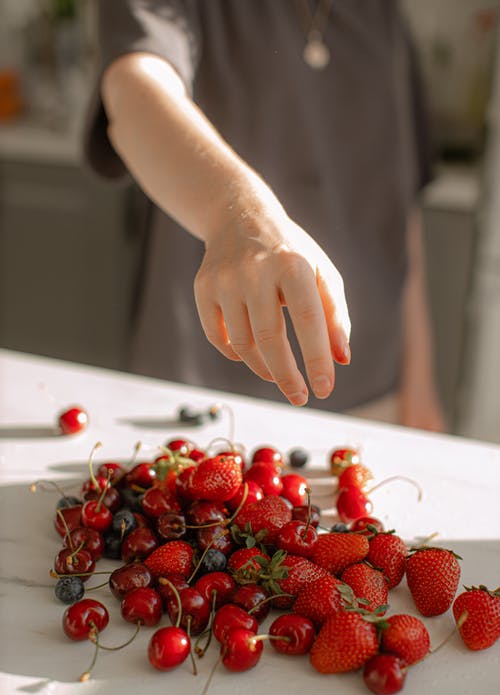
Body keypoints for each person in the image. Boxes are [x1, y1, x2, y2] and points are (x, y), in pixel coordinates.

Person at [84, 0, 445, 430]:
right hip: (199, 391)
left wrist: (419, 385)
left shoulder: (381, 13)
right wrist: (238, 214)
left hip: (373, 394)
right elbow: (136, 87)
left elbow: (397, 206)